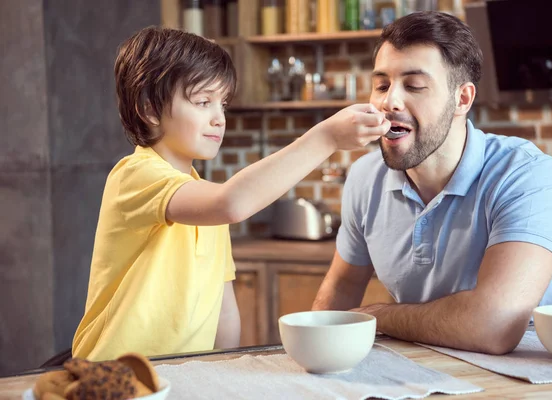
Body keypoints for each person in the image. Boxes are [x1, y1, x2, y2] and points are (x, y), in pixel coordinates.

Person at [72, 26, 390, 361]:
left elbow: (224, 312)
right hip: (112, 375)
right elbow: (232, 203)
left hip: (182, 377)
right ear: (149, 109)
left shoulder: (204, 198)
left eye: (222, 103)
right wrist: (326, 138)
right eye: (203, 102)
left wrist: (226, 366)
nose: (219, 118)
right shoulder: (136, 175)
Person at [312, 11, 552, 355]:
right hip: (417, 365)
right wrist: (315, 351)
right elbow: (341, 287)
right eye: (382, 85)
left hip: (522, 376)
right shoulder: (364, 177)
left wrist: (377, 316)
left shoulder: (526, 173)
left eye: (414, 86)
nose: (389, 102)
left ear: (462, 99)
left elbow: (494, 326)